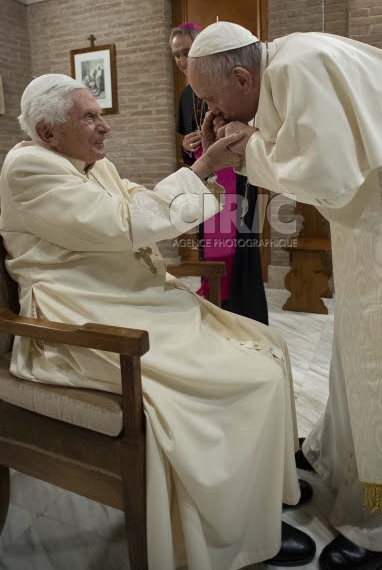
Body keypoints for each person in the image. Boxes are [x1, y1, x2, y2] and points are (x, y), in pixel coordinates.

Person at [0, 74, 316, 570]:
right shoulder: (29, 169)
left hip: (127, 299)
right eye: (89, 117)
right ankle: (228, 533)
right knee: (243, 378)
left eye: (99, 112)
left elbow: (138, 200)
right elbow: (123, 224)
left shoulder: (86, 161)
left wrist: (201, 167)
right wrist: (206, 165)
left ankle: (257, 495)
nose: (105, 127)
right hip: (83, 319)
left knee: (267, 343)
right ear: (46, 132)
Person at [187, 22, 382, 570]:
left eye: (211, 97)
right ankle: (349, 465)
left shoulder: (298, 67)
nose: (210, 110)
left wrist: (243, 155)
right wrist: (243, 137)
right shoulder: (284, 66)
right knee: (365, 356)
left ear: (243, 75)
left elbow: (328, 174)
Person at [170, 23, 268, 324]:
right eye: (176, 55)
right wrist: (188, 146)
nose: (183, 60)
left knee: (243, 248)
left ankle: (247, 317)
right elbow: (185, 139)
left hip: (238, 178)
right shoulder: (188, 95)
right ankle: (216, 307)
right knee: (209, 246)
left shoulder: (232, 81)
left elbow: (255, 130)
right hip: (207, 180)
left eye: (187, 51)